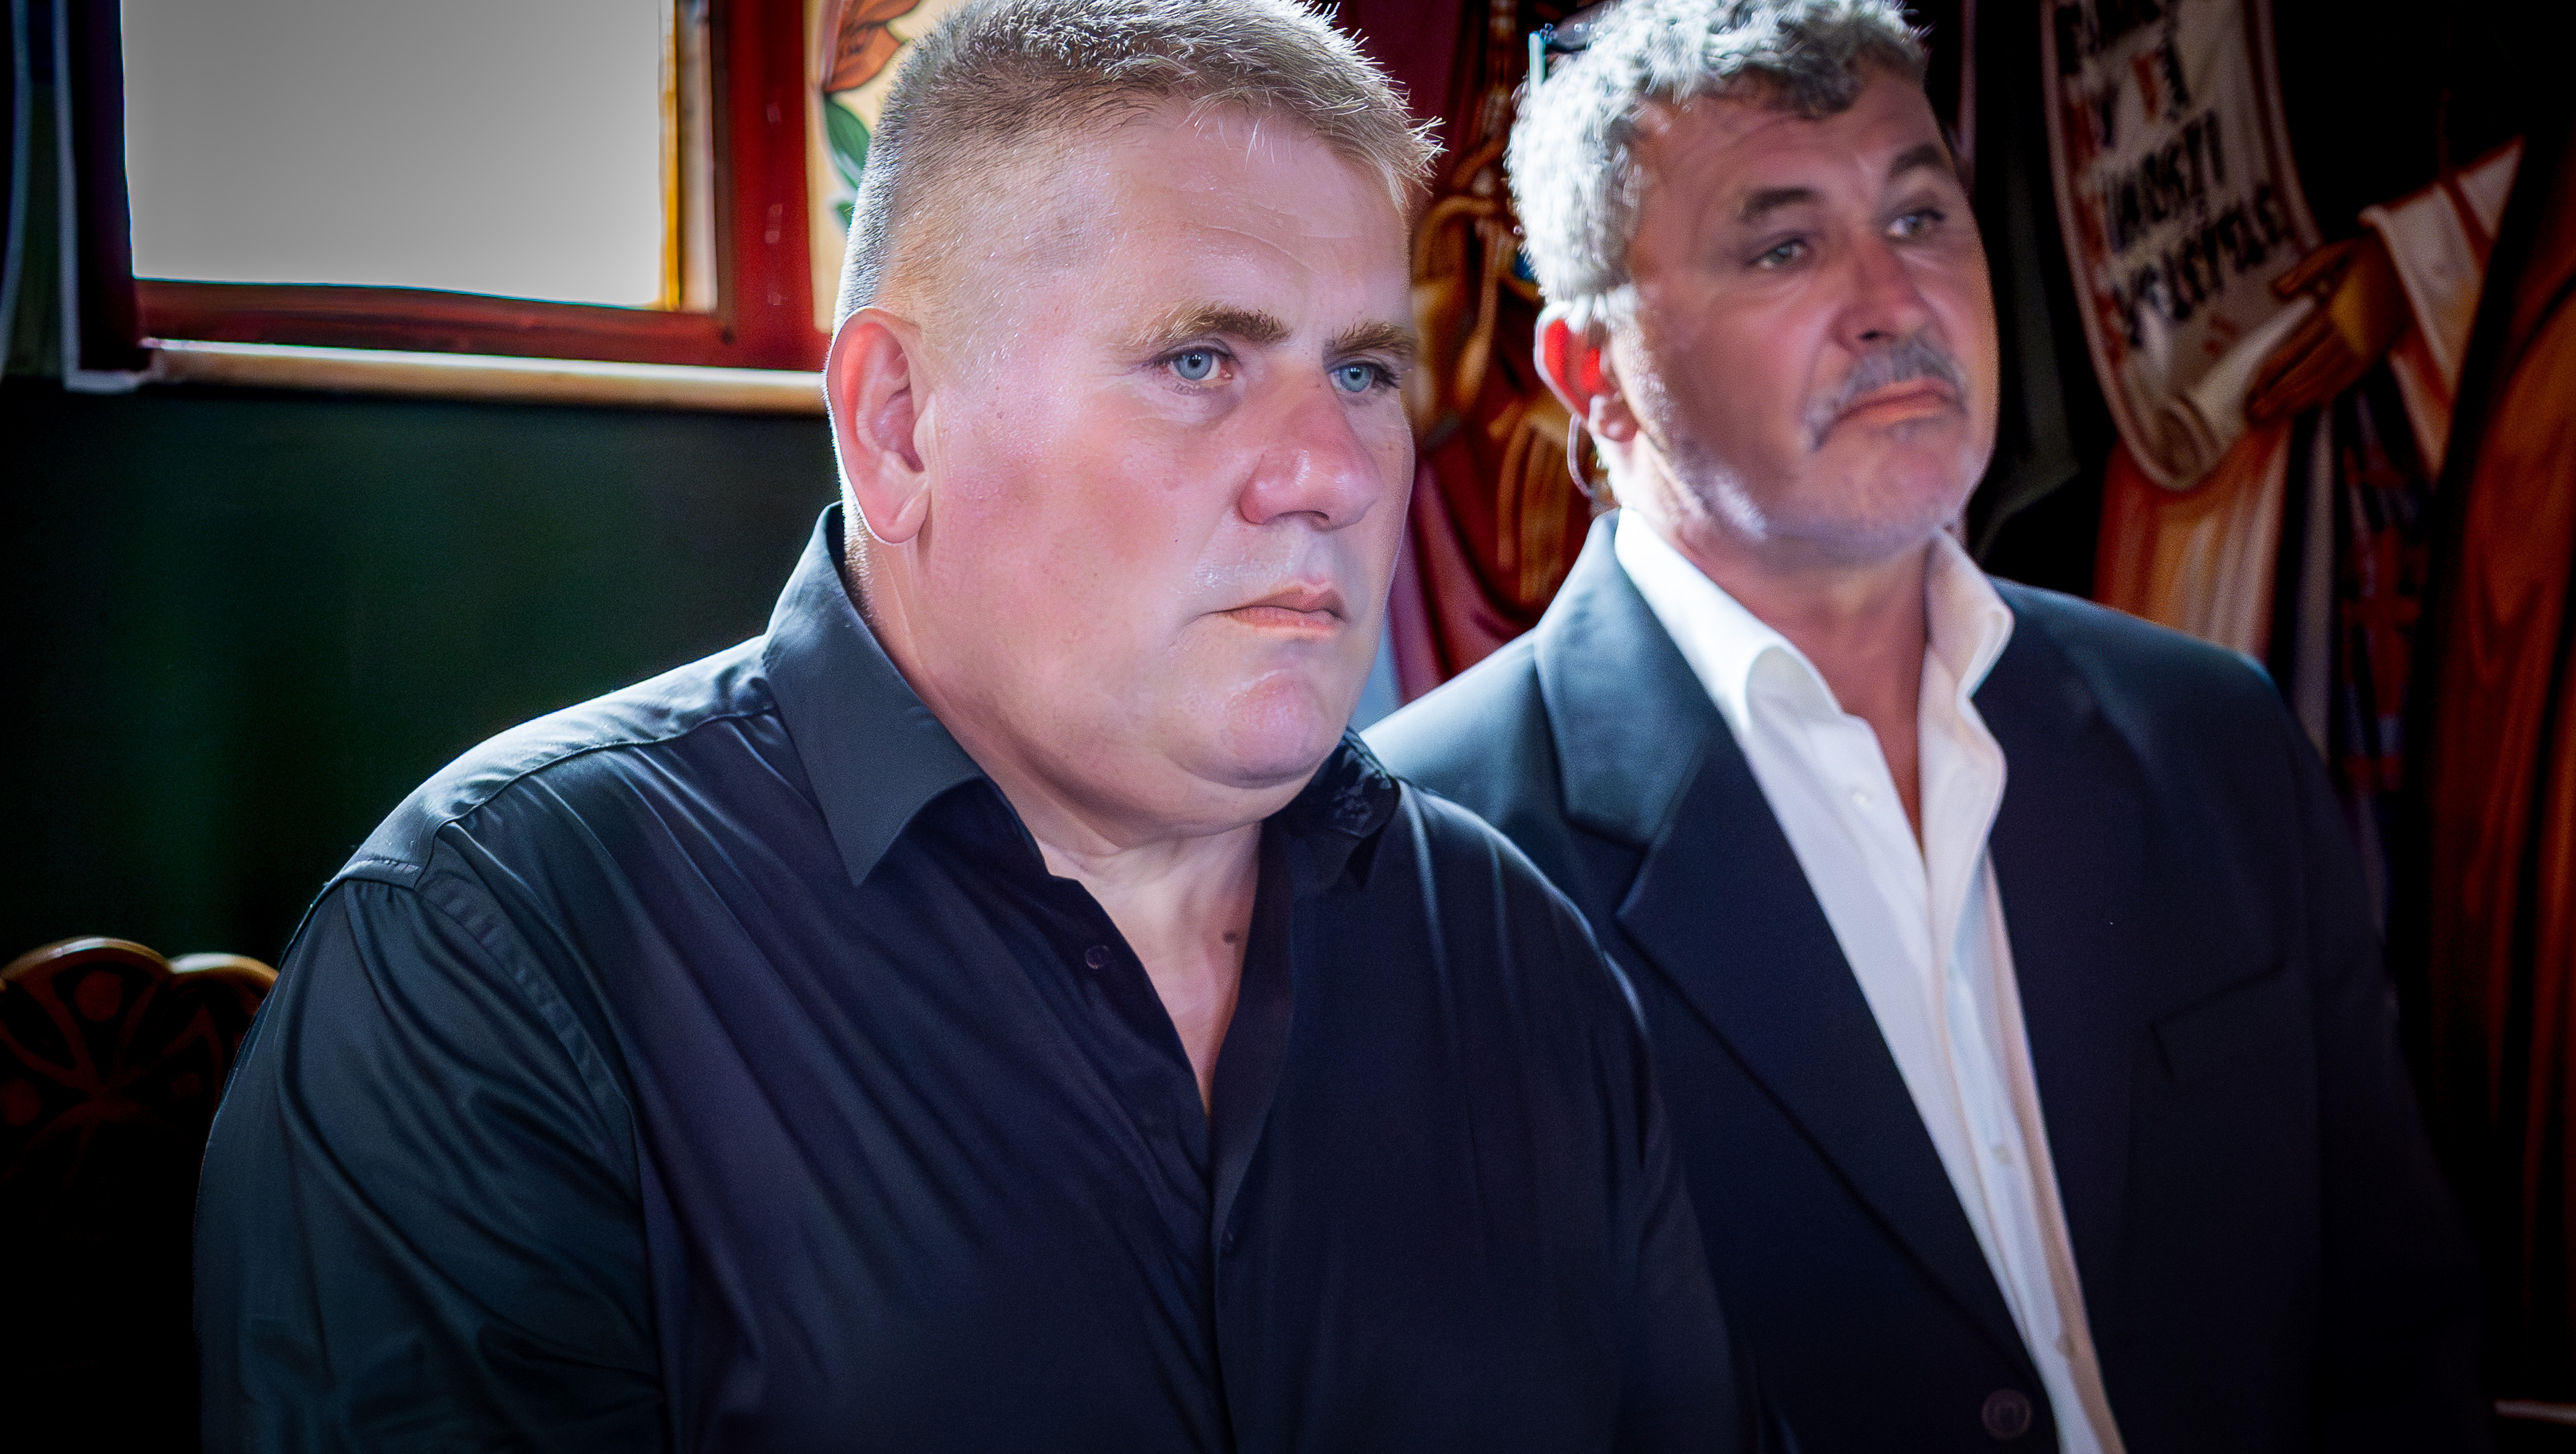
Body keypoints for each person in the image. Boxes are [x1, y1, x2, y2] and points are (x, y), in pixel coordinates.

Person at [190, 2, 1753, 1449]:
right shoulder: (502, 952)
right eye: (1200, 360)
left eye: (1358, 370)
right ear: (898, 425)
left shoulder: (1511, 951)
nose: (1333, 472)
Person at [1368, 2, 2486, 1450]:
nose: (1893, 299)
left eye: (1919, 217)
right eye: (1784, 247)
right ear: (1597, 377)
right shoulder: (1414, 865)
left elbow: (2399, 1335)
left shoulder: (2205, 729)